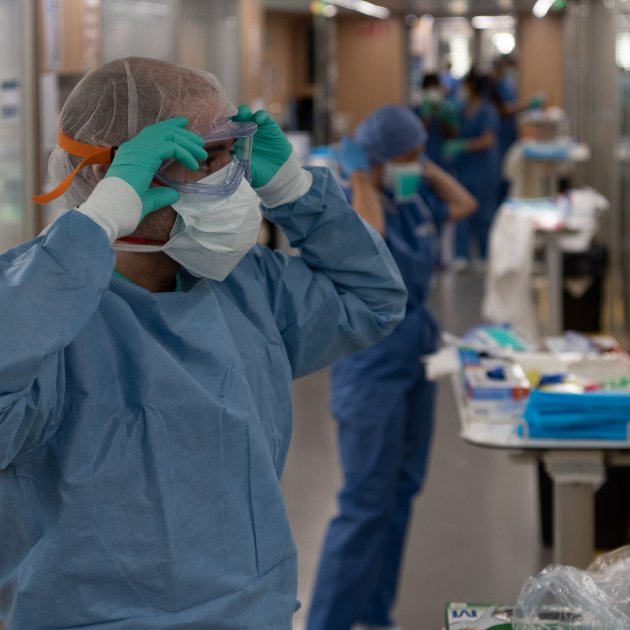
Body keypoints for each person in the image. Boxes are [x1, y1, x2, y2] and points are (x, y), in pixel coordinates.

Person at [0, 57, 408, 629]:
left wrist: (295, 191)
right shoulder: (40, 307)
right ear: (114, 175)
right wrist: (94, 226)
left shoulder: (243, 284)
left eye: (234, 152)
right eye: (206, 156)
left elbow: (372, 300)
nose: (232, 178)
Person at [308, 106, 477, 630]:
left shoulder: (413, 198)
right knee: (364, 502)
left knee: (401, 492)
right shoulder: (348, 200)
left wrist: (422, 167)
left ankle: (375, 614)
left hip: (416, 356)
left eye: (420, 154)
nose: (416, 165)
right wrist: (361, 176)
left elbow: (465, 204)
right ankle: (328, 622)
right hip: (372, 370)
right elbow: (369, 239)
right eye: (407, 156)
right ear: (375, 159)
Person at [443, 70, 500, 270]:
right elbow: (455, 132)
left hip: (484, 171)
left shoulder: (487, 111)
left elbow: (488, 140)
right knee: (462, 212)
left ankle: (485, 254)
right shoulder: (462, 111)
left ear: (472, 88)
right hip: (465, 169)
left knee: (484, 214)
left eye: (464, 86)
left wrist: (463, 146)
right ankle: (461, 255)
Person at [489, 54, 546, 202]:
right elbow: (504, 110)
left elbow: (512, 108)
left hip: (509, 135)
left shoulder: (508, 85)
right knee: (500, 175)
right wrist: (528, 105)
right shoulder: (492, 86)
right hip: (499, 137)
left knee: (510, 176)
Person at [416, 73, 459, 171]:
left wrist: (441, 117)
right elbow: (418, 133)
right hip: (424, 158)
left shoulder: (447, 109)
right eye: (429, 88)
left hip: (443, 158)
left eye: (435, 87)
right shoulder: (418, 110)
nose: (433, 92)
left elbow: (453, 134)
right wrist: (427, 114)